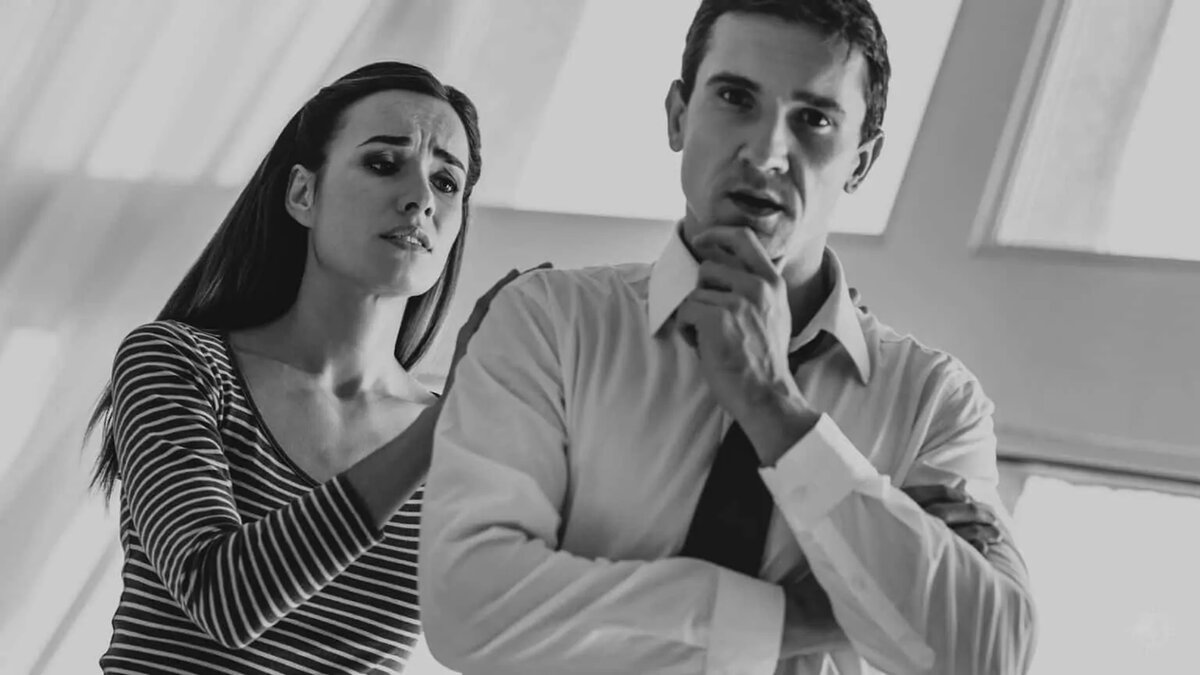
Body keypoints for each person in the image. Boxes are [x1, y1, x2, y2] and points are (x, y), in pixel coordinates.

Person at [419, 1, 1037, 673]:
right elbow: (468, 609)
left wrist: (774, 406)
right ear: (678, 116)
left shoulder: (934, 403)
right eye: (737, 98)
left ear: (861, 162)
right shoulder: (547, 323)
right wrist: (800, 618)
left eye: (814, 119)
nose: (766, 152)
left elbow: (988, 656)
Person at [86, 61, 536, 674]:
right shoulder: (178, 362)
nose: (421, 199)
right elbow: (224, 598)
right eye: (384, 163)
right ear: (303, 194)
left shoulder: (468, 443)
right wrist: (447, 423)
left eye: (446, 182)